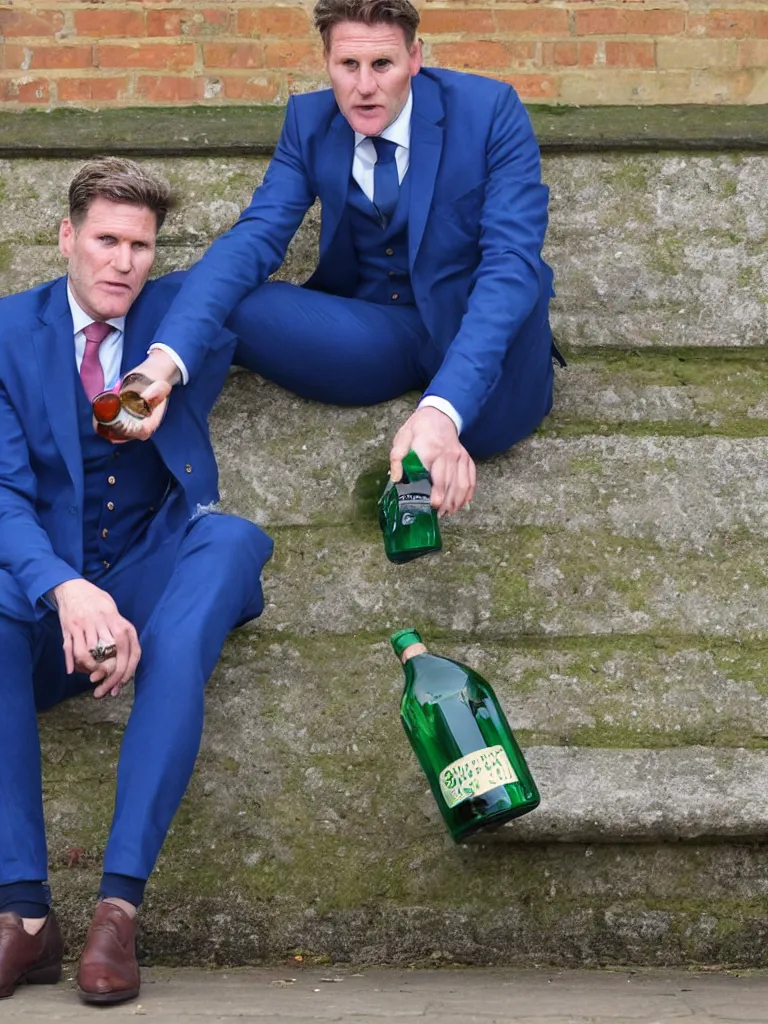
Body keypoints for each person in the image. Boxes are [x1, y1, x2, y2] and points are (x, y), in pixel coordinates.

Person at [0, 157, 273, 1005]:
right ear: (66, 239)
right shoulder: (7, 333)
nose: (122, 261)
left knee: (228, 542)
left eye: (141, 245)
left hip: (153, 571)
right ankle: (24, 919)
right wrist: (66, 590)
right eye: (106, 240)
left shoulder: (173, 325)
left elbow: (240, 262)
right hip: (49, 603)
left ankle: (118, 910)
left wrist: (163, 365)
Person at [134, 0, 563, 518]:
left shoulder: (488, 110)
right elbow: (254, 240)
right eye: (348, 65)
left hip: (481, 333)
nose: (364, 87)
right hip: (379, 329)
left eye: (382, 64)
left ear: (414, 57)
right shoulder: (308, 122)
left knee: (476, 422)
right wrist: (161, 364)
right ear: (327, 61)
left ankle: (425, 447)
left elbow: (510, 266)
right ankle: (175, 492)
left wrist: (443, 410)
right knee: (174, 302)